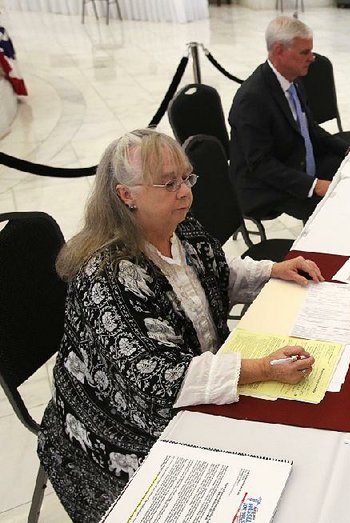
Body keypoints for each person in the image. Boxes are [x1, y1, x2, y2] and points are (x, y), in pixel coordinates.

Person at [37, 129, 321, 522]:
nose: (185, 191)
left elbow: (216, 273)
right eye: (169, 184)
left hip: (186, 378)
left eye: (187, 178)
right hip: (118, 425)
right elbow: (160, 376)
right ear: (126, 195)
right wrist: (259, 368)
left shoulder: (179, 228)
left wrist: (273, 270)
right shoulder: (108, 279)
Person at [228, 16, 348, 223]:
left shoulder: (293, 80)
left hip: (295, 161)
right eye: (305, 52)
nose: (312, 58)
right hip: (265, 184)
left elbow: (309, 128)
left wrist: (347, 150)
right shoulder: (252, 100)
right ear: (279, 51)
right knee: (335, 209)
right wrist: (314, 185)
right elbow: (261, 165)